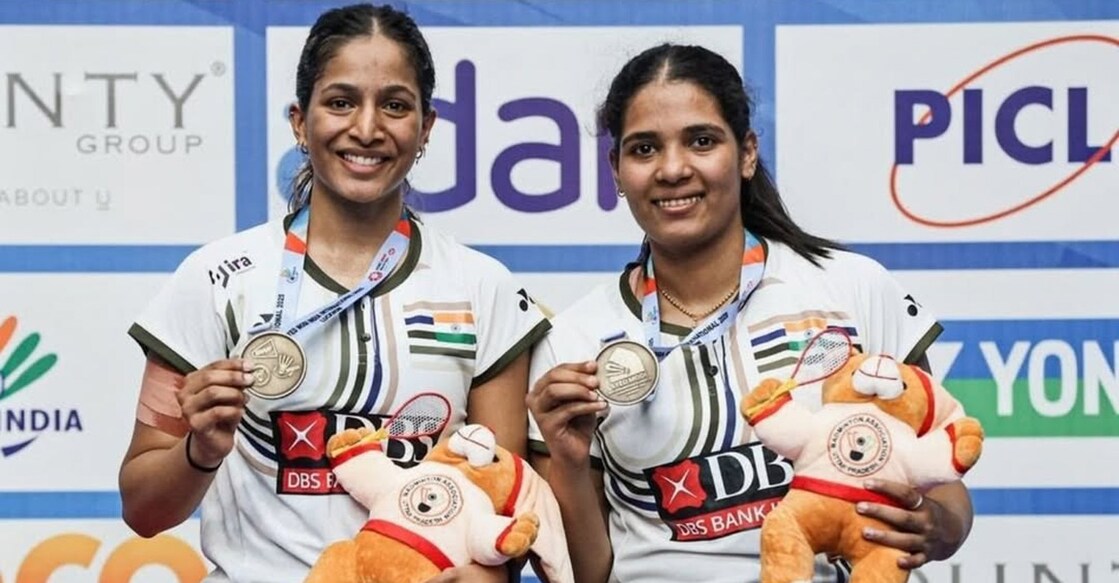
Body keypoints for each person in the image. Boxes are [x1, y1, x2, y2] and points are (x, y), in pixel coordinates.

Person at [118, 5, 548, 582]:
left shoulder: (482, 287)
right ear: (300, 122)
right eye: (341, 102)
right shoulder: (216, 278)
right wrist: (200, 451)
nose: (366, 129)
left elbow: (502, 504)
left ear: (426, 128)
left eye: (394, 105)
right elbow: (142, 511)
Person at [526, 43, 973, 583]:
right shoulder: (574, 340)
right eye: (644, 149)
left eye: (701, 141)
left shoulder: (852, 288)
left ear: (746, 153)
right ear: (616, 171)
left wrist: (936, 525)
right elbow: (588, 574)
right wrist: (568, 460)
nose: (673, 169)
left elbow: (950, 501)